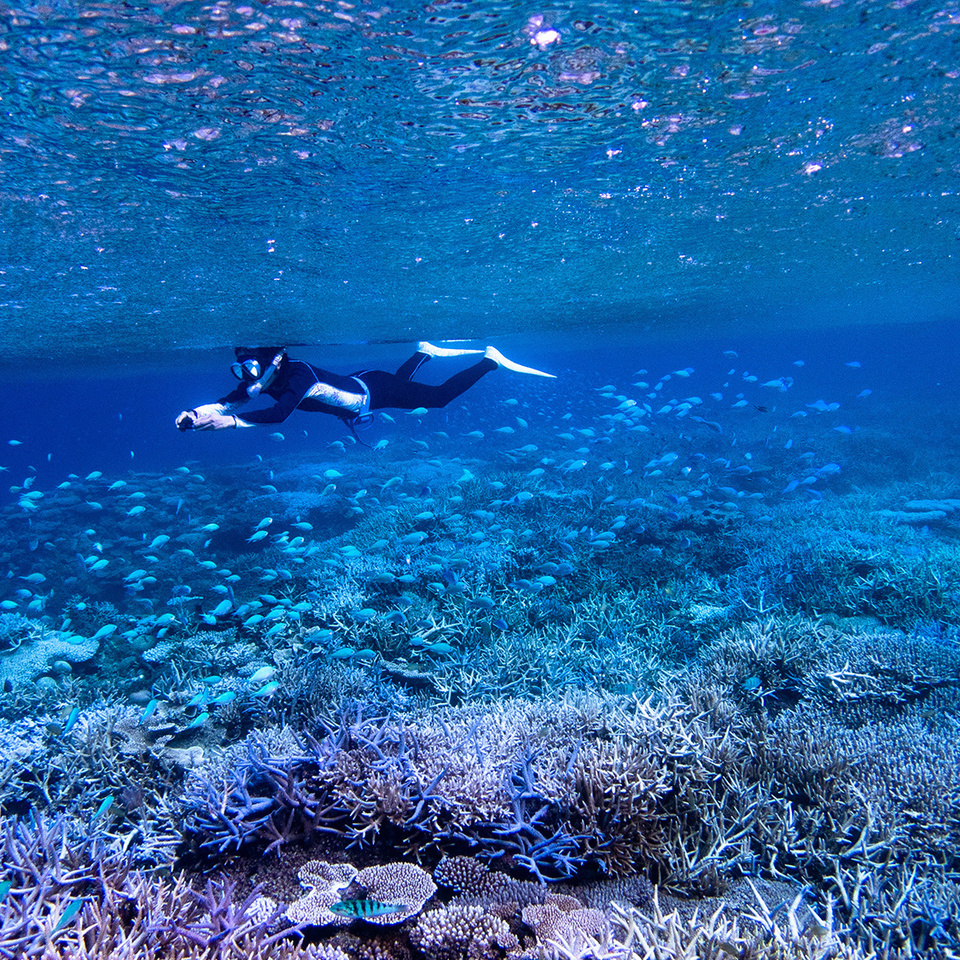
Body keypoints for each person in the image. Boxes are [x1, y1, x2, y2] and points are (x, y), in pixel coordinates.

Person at [175, 342, 554, 434]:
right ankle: (423, 352)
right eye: (240, 371)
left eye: (251, 368)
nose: (246, 378)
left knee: (437, 399)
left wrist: (236, 424)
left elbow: (278, 415)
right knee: (402, 386)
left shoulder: (297, 377)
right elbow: (235, 399)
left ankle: (490, 360)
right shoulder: (268, 380)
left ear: (272, 362)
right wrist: (199, 414)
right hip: (367, 384)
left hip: (374, 391)